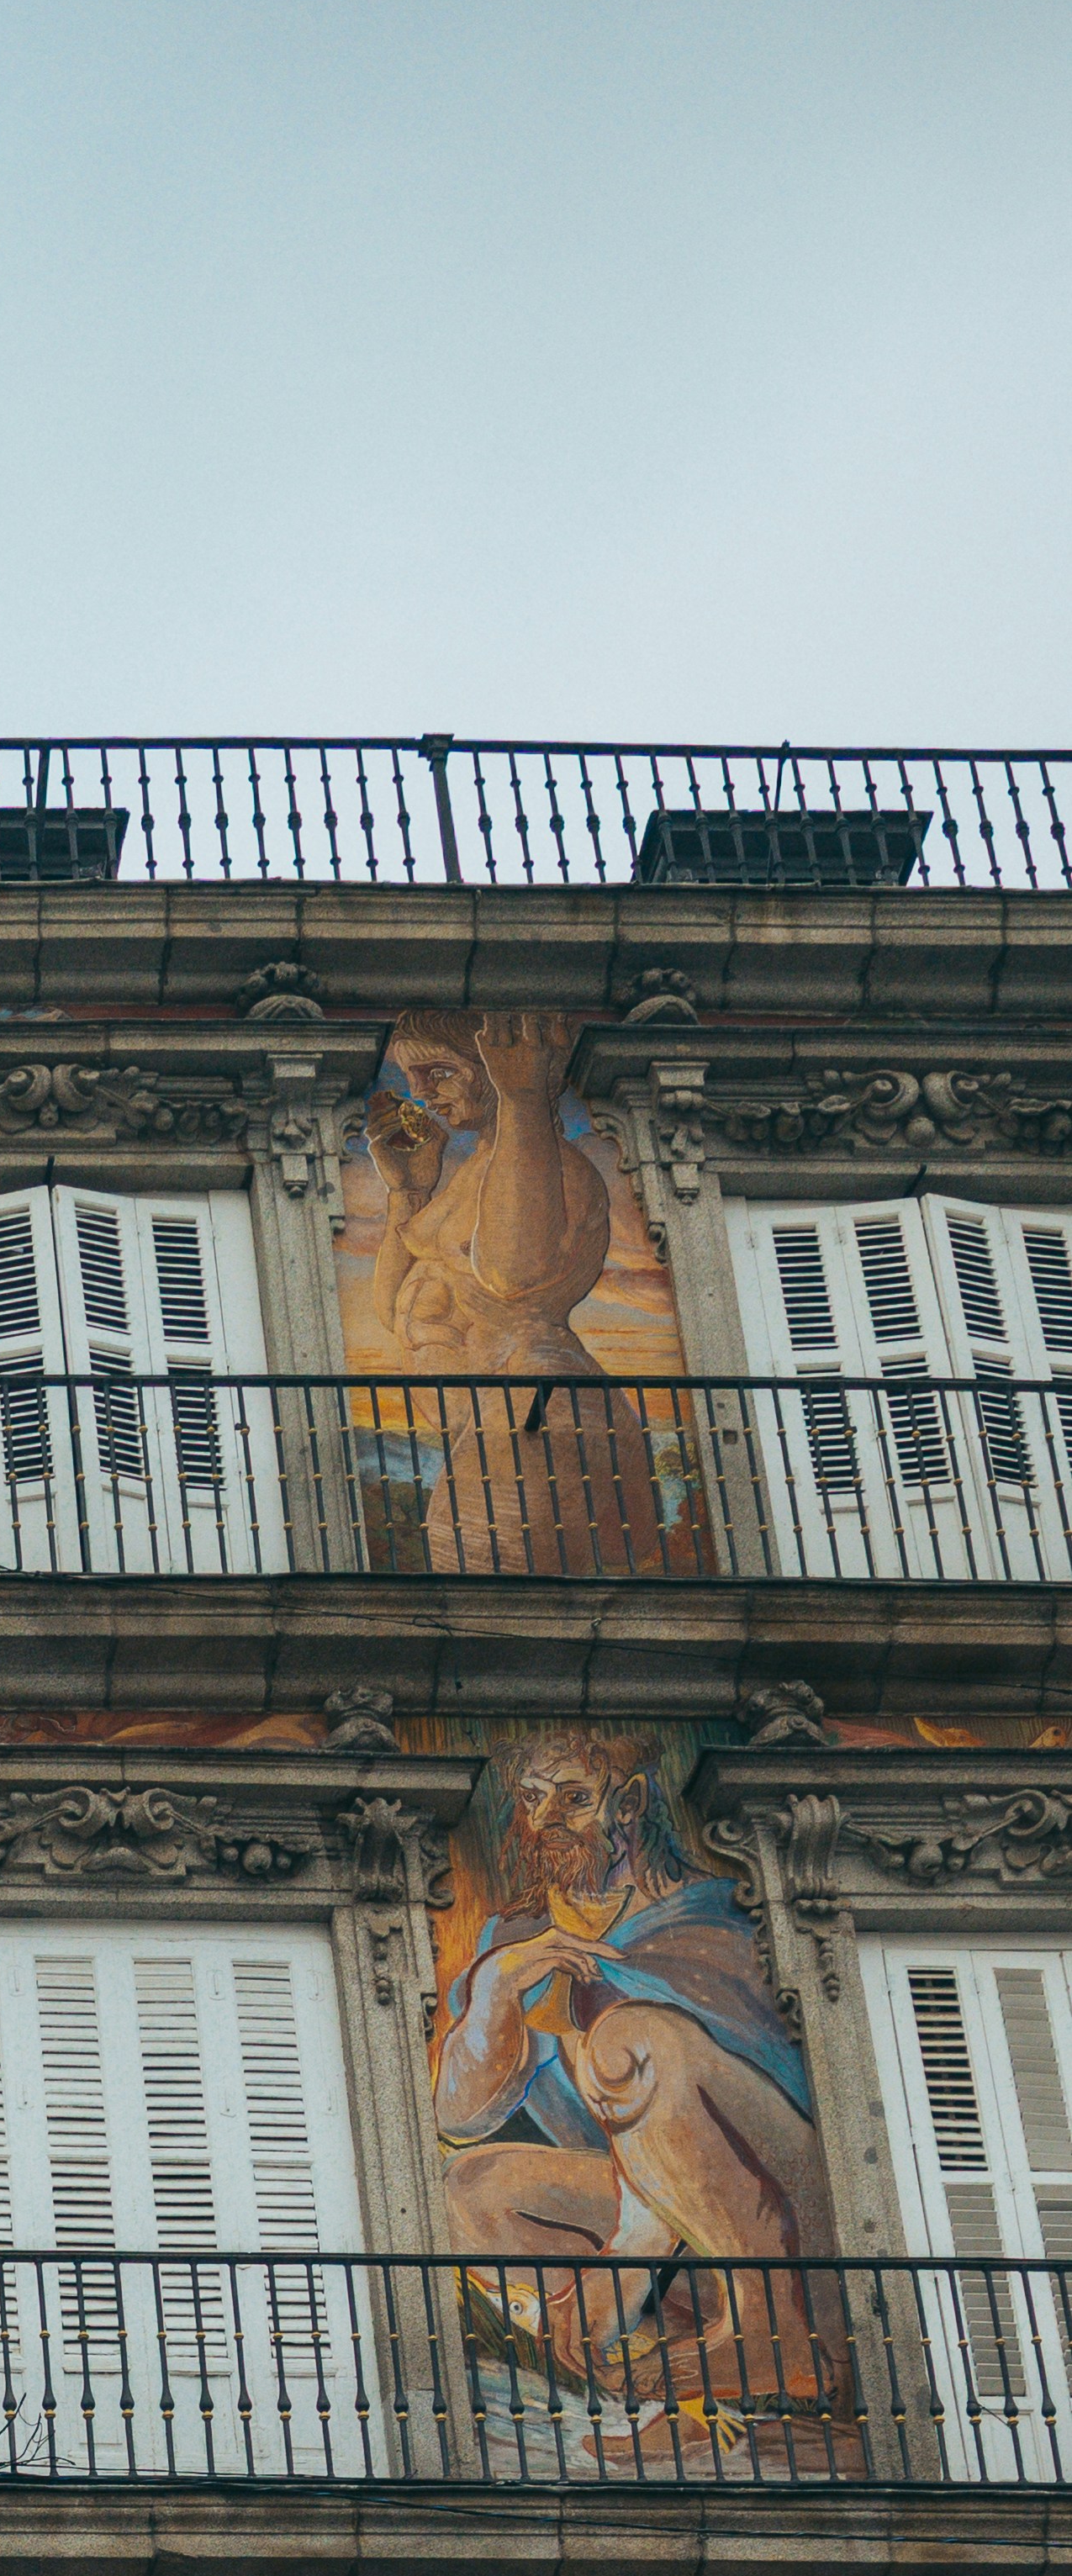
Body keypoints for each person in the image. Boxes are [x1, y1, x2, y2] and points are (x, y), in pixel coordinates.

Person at [433, 1737, 839, 2441]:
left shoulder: (716, 1915)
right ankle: (619, 2349)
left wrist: (630, 2250)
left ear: (631, 1803)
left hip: (769, 2204)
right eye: (532, 1798)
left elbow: (757, 2093)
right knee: (467, 2186)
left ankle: (773, 2326)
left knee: (634, 2038)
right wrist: (498, 1985)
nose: (547, 1818)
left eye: (574, 1796)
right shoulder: (515, 1937)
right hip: (652, 2230)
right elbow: (459, 2112)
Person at [364, 1011, 677, 1573]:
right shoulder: (477, 1171)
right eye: (413, 1078)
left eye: (440, 1072)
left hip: (540, 1416)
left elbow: (513, 1274)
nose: (421, 1093)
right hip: (488, 1423)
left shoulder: (550, 1167)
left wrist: (524, 1102)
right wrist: (408, 1188)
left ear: (498, 1069)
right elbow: (395, 1311)